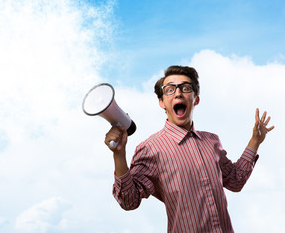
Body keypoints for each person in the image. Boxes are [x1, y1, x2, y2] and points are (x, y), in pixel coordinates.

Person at [104, 65, 274, 233]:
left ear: (196, 99)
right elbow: (129, 202)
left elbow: (236, 181)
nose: (178, 93)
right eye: (170, 89)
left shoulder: (212, 141)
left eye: (185, 88)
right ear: (162, 102)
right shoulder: (150, 149)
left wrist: (255, 140)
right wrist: (119, 155)